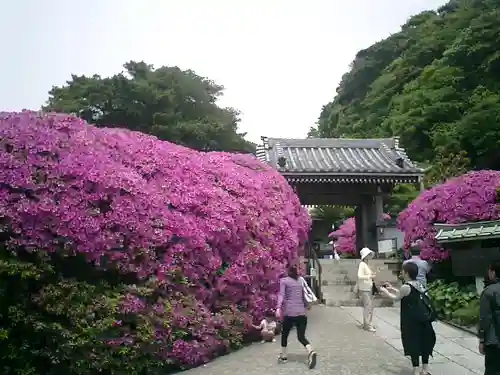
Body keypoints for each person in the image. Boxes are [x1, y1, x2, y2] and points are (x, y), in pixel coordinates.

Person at [380, 262, 436, 375]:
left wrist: (386, 291)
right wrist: (392, 288)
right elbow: (405, 293)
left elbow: (397, 298)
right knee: (424, 342)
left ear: (407, 273)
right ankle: (425, 370)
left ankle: (415, 369)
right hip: (423, 319)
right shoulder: (419, 284)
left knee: (413, 342)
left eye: (403, 271)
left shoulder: (406, 286)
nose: (401, 272)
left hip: (411, 321)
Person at [276, 265, 317, 369]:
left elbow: (281, 294)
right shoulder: (300, 281)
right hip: (301, 313)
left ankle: (284, 356)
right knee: (301, 337)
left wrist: (278, 308)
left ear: (288, 271)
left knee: (285, 334)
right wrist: (307, 306)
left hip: (289, 313)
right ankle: (311, 351)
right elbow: (304, 295)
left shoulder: (284, 281)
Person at [478, 260, 500, 374]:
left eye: (490, 270)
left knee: (492, 369)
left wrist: (482, 340)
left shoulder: (488, 292)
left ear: (494, 272)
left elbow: (484, 319)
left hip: (494, 340)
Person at [357, 247, 377, 332]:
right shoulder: (362, 264)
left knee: (369, 307)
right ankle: (367, 325)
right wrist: (370, 276)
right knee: (368, 307)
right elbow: (359, 276)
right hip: (365, 289)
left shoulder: (365, 264)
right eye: (368, 254)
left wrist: (371, 275)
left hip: (368, 288)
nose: (369, 256)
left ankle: (368, 323)